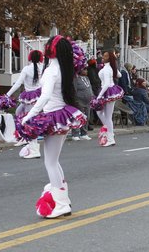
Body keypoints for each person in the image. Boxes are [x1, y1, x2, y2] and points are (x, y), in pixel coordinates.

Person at [19, 36, 88, 219]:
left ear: (51, 49)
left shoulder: (51, 70)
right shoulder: (62, 68)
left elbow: (45, 96)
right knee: (54, 161)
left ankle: (61, 203)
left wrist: (30, 115)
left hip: (54, 115)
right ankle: (62, 198)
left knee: (50, 162)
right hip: (62, 115)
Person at [7, 49, 45, 158]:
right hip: (34, 94)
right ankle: (24, 137)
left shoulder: (27, 69)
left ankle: (33, 146)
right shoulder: (42, 67)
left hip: (32, 95)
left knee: (30, 120)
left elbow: (18, 83)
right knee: (19, 113)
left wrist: (7, 95)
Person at [90, 50, 124, 146]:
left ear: (109, 58)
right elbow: (119, 75)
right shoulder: (109, 68)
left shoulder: (106, 69)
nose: (102, 57)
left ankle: (110, 137)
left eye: (105, 56)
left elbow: (106, 85)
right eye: (103, 56)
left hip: (107, 91)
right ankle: (110, 133)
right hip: (110, 91)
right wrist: (114, 69)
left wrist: (99, 96)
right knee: (103, 113)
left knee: (106, 115)